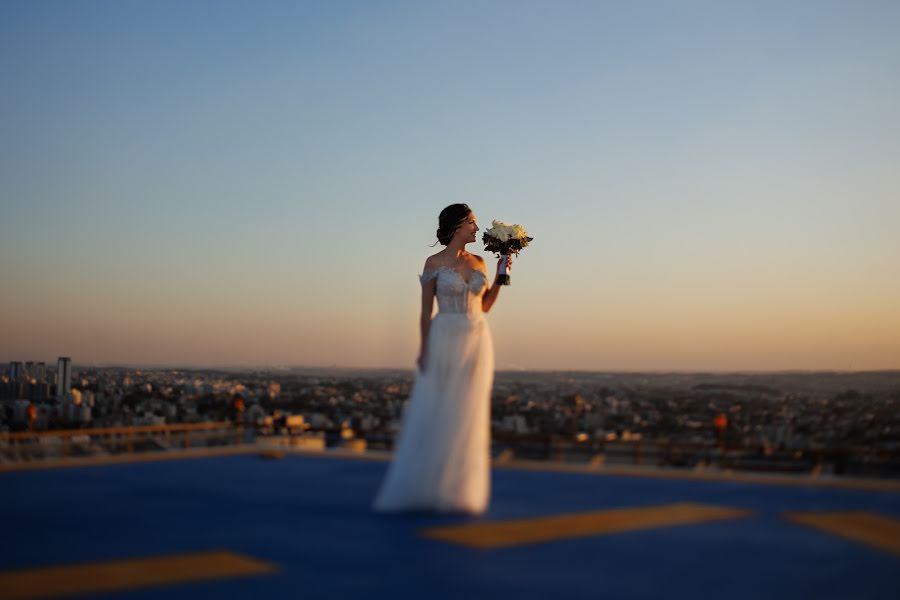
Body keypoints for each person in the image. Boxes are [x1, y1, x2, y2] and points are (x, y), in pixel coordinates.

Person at [372, 203, 511, 515]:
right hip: (444, 336)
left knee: (468, 412)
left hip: (477, 337)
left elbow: (486, 305)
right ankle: (428, 485)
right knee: (438, 407)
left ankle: (459, 489)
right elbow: (425, 312)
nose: (477, 229)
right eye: (472, 223)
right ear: (458, 226)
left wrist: (503, 274)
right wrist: (423, 350)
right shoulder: (433, 262)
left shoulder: (480, 263)